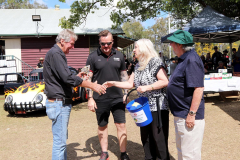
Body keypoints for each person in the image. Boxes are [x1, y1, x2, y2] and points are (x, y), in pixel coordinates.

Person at [43, 29, 107, 160]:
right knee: (60, 144)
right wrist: (92, 85)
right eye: (71, 43)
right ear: (62, 41)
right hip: (59, 103)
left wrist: (76, 77)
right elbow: (67, 78)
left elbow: (63, 78)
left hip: (58, 103)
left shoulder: (55, 53)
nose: (73, 47)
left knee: (60, 142)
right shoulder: (56, 53)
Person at [104, 39, 170, 160]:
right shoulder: (138, 65)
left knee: (158, 139)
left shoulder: (155, 62)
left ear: (144, 49)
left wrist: (147, 87)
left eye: (136, 47)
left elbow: (165, 81)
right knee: (146, 138)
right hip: (143, 108)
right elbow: (130, 84)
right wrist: (112, 83)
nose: (133, 50)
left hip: (157, 107)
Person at [86, 30, 130, 160]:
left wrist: (126, 93)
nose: (106, 46)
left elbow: (124, 76)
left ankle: (123, 153)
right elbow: (88, 79)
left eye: (109, 43)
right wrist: (90, 98)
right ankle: (104, 152)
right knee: (102, 126)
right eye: (103, 44)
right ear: (99, 43)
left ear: (113, 42)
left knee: (121, 125)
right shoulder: (92, 56)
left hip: (117, 98)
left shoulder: (120, 56)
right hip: (100, 98)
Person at [167, 30, 205, 160]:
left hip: (188, 115)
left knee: (190, 155)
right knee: (182, 152)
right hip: (181, 114)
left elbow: (198, 88)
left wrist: (191, 114)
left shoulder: (191, 59)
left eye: (171, 42)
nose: (170, 45)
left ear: (179, 44)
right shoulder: (184, 59)